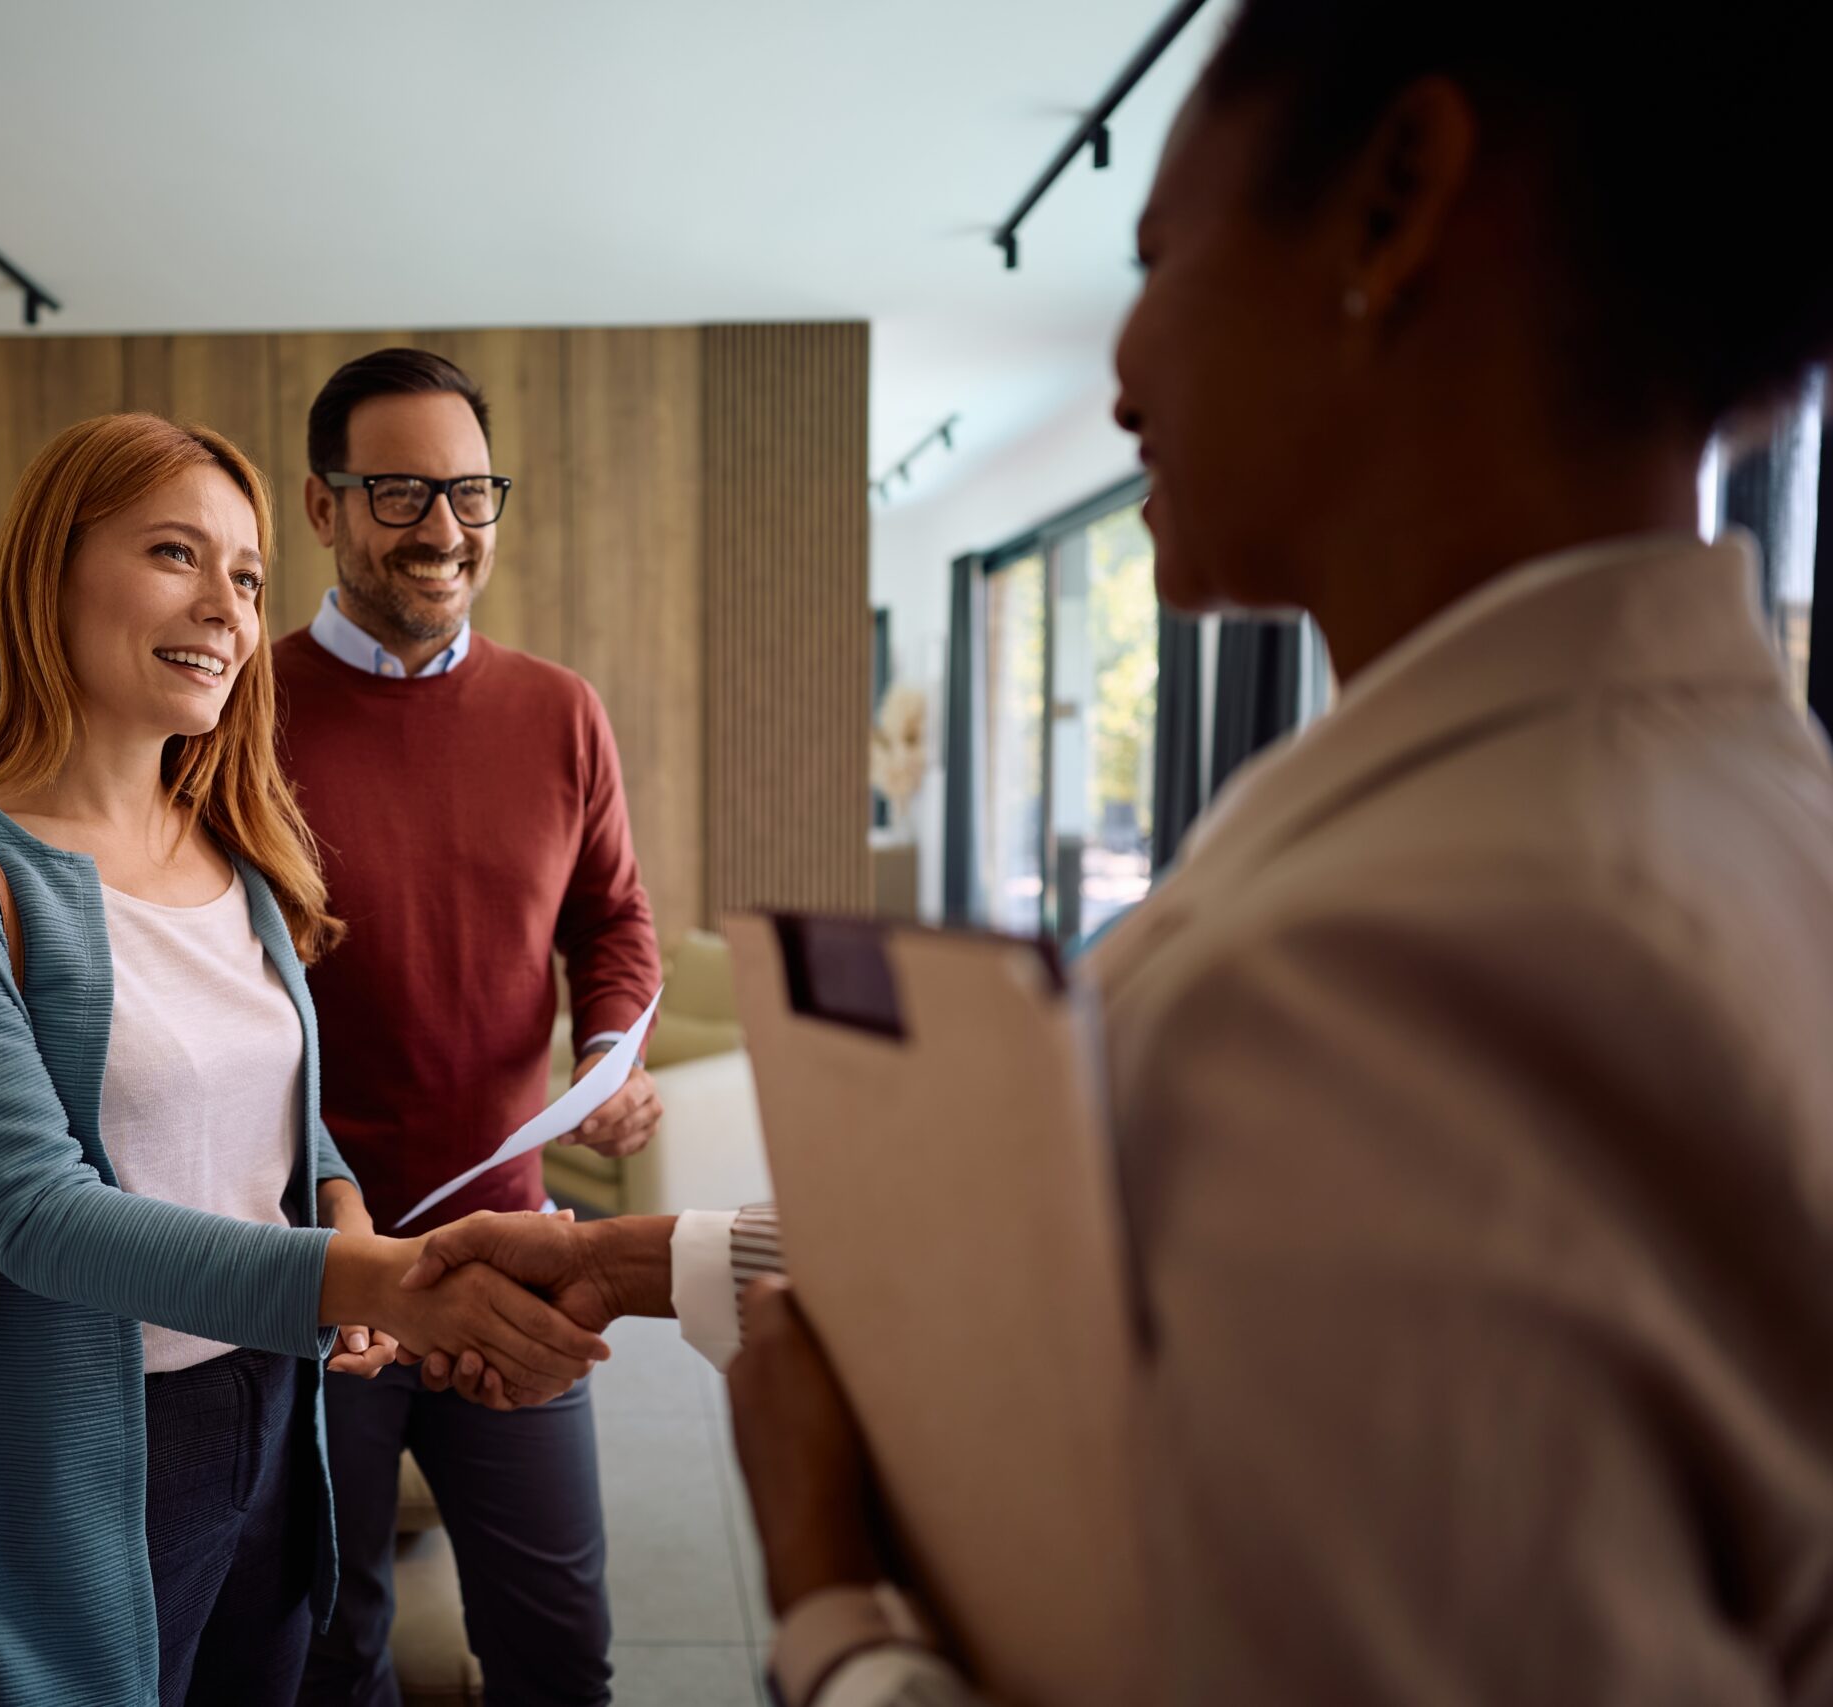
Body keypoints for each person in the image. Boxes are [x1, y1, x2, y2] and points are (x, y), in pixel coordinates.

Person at [405, 0, 1833, 1699]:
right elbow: (1121, 1246)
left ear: (1399, 199)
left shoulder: (1402, 961)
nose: (1127, 367)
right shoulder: (1714, 808)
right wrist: (635, 1259)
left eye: (1160, 258)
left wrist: (831, 1603)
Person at [0, 412, 610, 1707]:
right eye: (176, 554)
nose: (226, 610)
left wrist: (343, 1201)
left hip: (284, 1411)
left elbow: (289, 1122)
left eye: (246, 576)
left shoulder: (231, 853)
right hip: (100, 1445)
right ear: (51, 571)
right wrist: (384, 1279)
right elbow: (34, 1215)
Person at [276, 349, 667, 1707]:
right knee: (331, 1648)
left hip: (513, 1248)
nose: (442, 527)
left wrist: (611, 1052)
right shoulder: (234, 719)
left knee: (560, 1649)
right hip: (308, 1274)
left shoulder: (562, 712)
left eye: (468, 490)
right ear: (323, 510)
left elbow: (614, 923)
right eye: (397, 491)